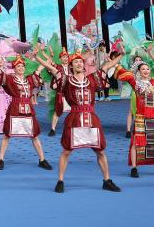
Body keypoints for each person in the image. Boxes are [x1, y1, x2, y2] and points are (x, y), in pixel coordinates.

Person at [37, 50, 121, 193]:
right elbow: (52, 68)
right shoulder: (66, 80)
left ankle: (107, 180)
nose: (79, 63)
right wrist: (36, 57)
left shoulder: (92, 78)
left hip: (91, 118)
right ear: (71, 66)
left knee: (100, 151)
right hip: (74, 118)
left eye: (81, 61)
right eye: (75, 62)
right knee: (66, 151)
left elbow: (107, 66)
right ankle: (60, 181)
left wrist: (121, 55)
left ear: (84, 65)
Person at [114, 54, 154, 178]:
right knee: (136, 143)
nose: (146, 70)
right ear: (138, 71)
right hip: (141, 117)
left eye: (147, 69)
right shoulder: (135, 83)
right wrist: (114, 62)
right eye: (143, 69)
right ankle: (134, 168)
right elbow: (122, 71)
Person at [0, 54, 52, 171]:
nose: (21, 68)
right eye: (18, 66)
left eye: (22, 66)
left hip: (28, 110)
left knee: (34, 135)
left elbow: (41, 68)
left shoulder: (29, 79)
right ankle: (1, 159)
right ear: (14, 68)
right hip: (15, 108)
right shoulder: (10, 79)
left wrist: (48, 58)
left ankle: (42, 160)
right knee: (7, 135)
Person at [47, 49, 71, 136]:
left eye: (67, 57)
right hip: (61, 92)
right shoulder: (57, 67)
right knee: (57, 111)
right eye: (63, 57)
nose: (65, 58)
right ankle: (53, 129)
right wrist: (51, 55)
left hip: (71, 93)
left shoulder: (72, 67)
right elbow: (48, 64)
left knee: (75, 110)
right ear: (60, 58)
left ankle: (74, 127)